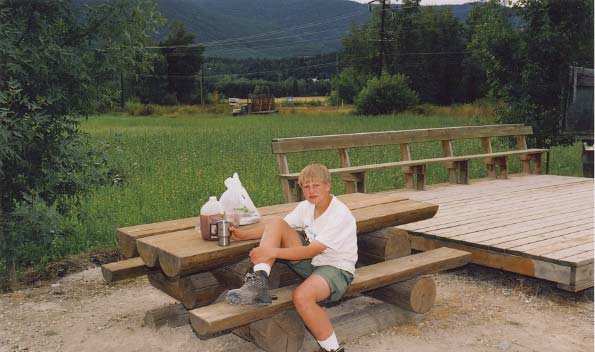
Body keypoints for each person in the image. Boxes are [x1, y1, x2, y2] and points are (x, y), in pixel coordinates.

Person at [225, 163, 357, 352]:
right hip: (313, 262)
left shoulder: (339, 214)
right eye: (306, 186)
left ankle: (332, 350)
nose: (311, 191)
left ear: (328, 186)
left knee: (302, 296)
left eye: (316, 185)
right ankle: (258, 283)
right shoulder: (306, 207)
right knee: (276, 222)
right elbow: (277, 227)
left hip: (336, 267)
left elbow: (311, 251)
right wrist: (243, 235)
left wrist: (272, 252)